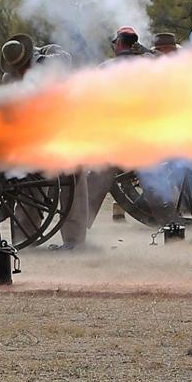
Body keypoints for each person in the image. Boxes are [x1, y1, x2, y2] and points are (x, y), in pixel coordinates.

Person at [57, 26, 147, 250]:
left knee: (98, 174)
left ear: (117, 44)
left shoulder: (106, 68)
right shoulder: (148, 67)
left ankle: (81, 223)